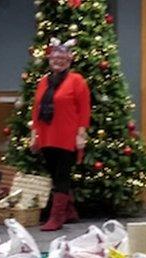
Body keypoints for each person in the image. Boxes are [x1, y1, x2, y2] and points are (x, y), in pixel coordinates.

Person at [31, 39, 91, 232]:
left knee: (62, 175)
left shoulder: (77, 80)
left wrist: (81, 134)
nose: (58, 61)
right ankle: (69, 211)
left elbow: (84, 110)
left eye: (62, 58)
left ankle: (56, 218)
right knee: (55, 176)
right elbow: (36, 109)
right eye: (54, 58)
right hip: (47, 135)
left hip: (67, 136)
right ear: (49, 60)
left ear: (69, 60)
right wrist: (34, 135)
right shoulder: (43, 82)